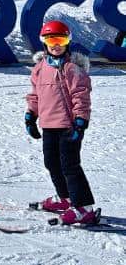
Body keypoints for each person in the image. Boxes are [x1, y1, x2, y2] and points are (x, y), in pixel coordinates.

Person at [24, 19, 98, 225]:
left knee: (70, 166)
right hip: (48, 125)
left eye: (61, 39)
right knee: (52, 164)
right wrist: (31, 115)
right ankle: (66, 199)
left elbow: (81, 96)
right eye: (51, 40)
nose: (56, 44)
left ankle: (84, 207)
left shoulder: (72, 68)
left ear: (68, 41)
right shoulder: (39, 68)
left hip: (69, 126)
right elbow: (35, 95)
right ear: (44, 42)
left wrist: (81, 121)